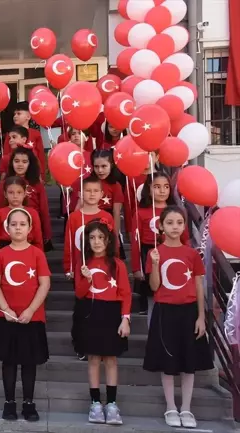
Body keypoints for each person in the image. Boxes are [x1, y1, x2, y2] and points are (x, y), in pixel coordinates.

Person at [144, 206, 213, 429]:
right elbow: (154, 287)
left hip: (189, 311)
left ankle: (186, 408)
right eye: (170, 222)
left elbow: (198, 285)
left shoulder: (192, 254)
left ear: (184, 226)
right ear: (161, 226)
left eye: (179, 222)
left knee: (188, 362)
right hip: (165, 310)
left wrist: (201, 317)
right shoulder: (155, 252)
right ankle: (171, 406)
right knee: (168, 361)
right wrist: (155, 264)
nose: (175, 227)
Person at [0, 208, 50, 421]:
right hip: (7, 317)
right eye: (13, 224)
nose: (18, 228)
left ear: (30, 228)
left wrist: (31, 309)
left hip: (31, 318)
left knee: (29, 362)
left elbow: (44, 284)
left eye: (22, 224)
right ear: (7, 228)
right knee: (9, 361)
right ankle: (9, 403)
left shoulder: (37, 254)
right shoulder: (1, 254)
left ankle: (28, 403)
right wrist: (5, 308)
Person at [73, 220, 131, 425]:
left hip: (111, 313)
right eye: (92, 238)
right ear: (87, 241)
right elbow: (79, 293)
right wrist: (86, 279)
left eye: (100, 237)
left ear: (108, 240)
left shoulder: (118, 264)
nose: (96, 242)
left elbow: (125, 293)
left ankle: (112, 404)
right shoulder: (84, 264)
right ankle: (95, 403)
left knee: (111, 359)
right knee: (93, 359)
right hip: (90, 312)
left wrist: (125, 319)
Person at [131, 172, 188, 318]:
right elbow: (136, 241)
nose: (162, 191)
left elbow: (185, 238)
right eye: (157, 187)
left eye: (166, 187)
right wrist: (137, 267)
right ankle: (153, 334)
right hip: (150, 254)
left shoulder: (177, 211)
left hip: (173, 254)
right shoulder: (140, 212)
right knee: (152, 298)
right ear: (148, 189)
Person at [0, 148, 51, 247]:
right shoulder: (4, 184)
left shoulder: (36, 184)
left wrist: (47, 234)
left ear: (30, 164)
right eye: (16, 161)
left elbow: (44, 210)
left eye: (24, 161)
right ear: (11, 163)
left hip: (32, 228)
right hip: (9, 231)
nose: (20, 164)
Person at [63, 175, 116, 279]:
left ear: (101, 194)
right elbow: (68, 244)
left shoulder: (107, 216)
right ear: (80, 194)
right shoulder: (74, 217)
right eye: (88, 190)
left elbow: (112, 242)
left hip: (103, 266)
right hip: (80, 266)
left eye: (96, 191)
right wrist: (68, 267)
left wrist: (114, 263)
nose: (92, 194)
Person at [0, 176, 43, 262]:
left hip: (27, 249)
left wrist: (39, 259)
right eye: (11, 192)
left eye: (19, 192)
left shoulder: (32, 213)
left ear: (25, 193)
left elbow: (38, 239)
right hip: (5, 250)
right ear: (5, 194)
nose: (15, 196)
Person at [2, 102, 46, 176]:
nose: (15, 116)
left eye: (18, 114)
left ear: (28, 117)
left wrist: (42, 173)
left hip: (33, 172)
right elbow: (6, 153)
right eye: (14, 114)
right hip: (14, 172)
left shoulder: (36, 133)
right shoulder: (10, 134)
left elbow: (40, 154)